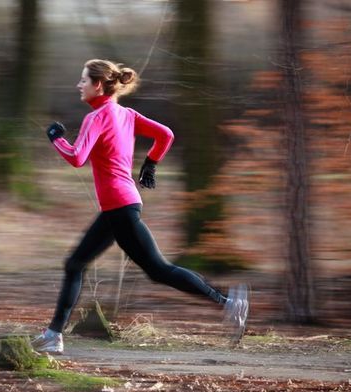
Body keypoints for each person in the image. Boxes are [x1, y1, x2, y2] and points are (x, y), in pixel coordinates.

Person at [32, 59, 248, 354]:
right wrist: (151, 164)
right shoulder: (127, 114)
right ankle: (53, 334)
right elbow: (166, 135)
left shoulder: (95, 118)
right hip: (121, 205)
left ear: (98, 85)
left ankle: (228, 303)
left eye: (83, 80)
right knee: (81, 265)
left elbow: (77, 157)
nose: (78, 85)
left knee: (157, 269)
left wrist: (56, 139)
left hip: (119, 207)